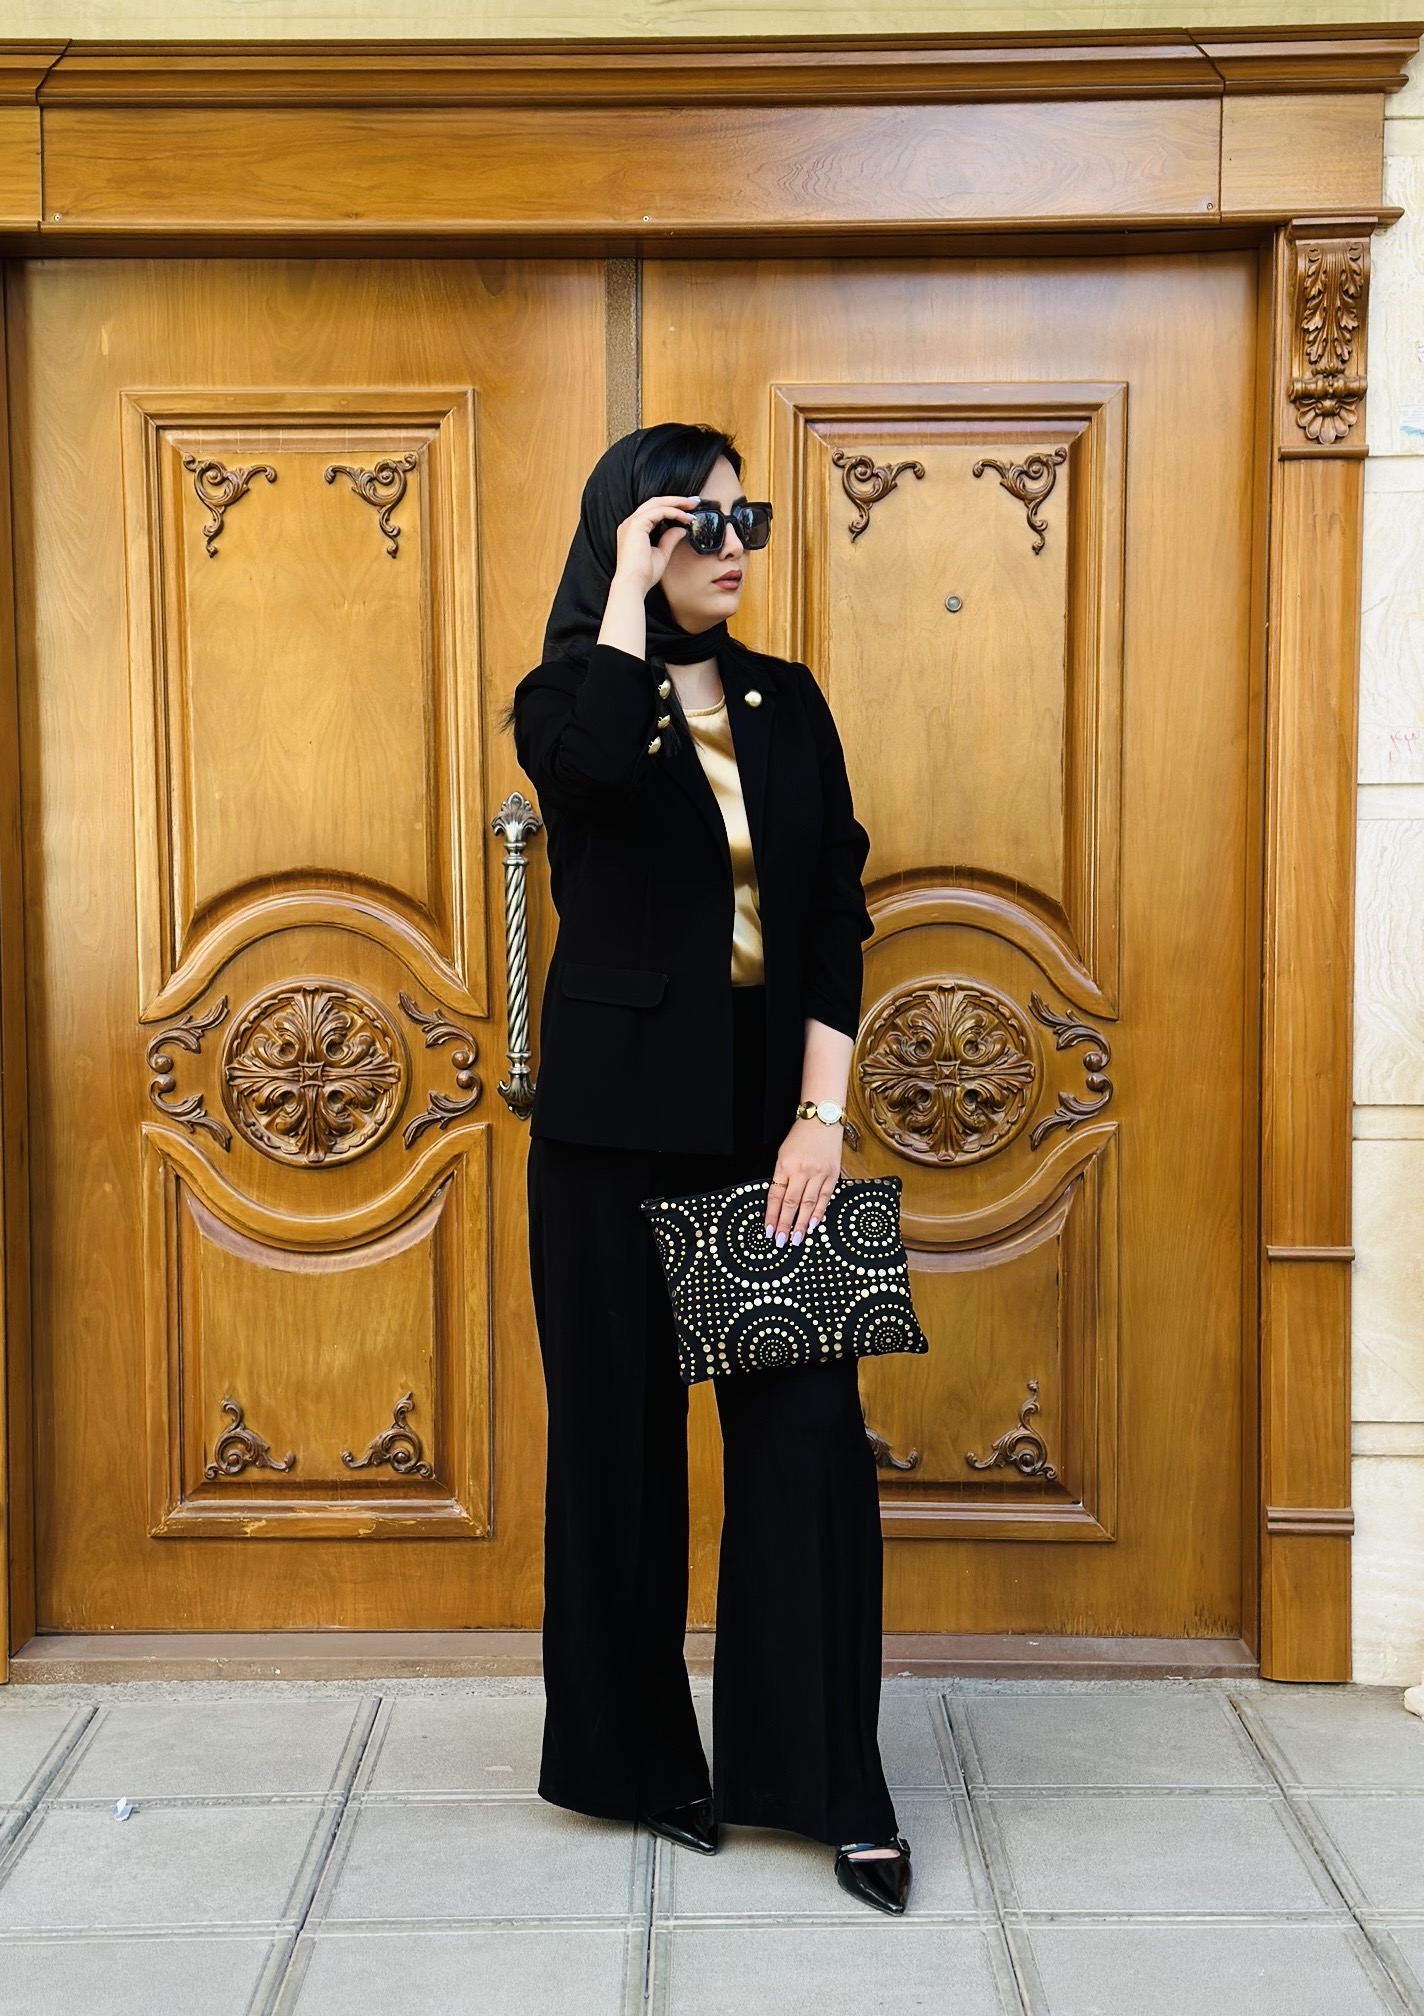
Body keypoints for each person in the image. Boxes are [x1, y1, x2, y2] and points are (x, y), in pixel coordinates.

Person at [510, 422, 909, 1915]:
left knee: (809, 1452)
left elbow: (832, 914)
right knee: (618, 1459)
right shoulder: (568, 698)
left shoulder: (787, 701)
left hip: (764, 1133)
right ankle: (638, 1765)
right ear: (631, 538)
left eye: (746, 517)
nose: (732, 544)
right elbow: (597, 782)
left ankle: (831, 1783)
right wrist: (624, 590)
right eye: (696, 520)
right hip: (609, 1137)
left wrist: (822, 1118)